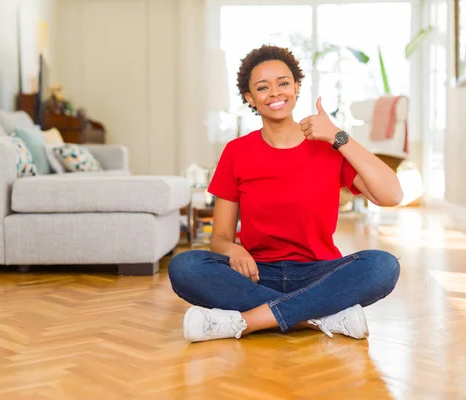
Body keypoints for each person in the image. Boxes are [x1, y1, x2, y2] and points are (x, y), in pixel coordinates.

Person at [169, 44, 403, 343]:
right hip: (255, 273)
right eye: (263, 87)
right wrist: (234, 251)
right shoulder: (236, 152)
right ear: (250, 98)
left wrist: (337, 136)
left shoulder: (327, 146)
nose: (276, 93)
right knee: (185, 266)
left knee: (383, 265)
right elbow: (220, 237)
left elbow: (392, 195)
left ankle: (246, 321)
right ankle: (320, 316)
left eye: (283, 83)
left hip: (318, 273)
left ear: (296, 86)